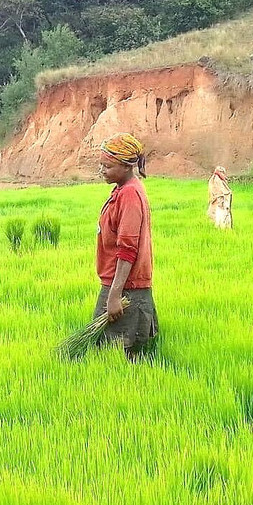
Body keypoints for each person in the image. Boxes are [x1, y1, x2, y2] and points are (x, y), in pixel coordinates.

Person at [94, 133, 158, 360]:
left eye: (107, 166)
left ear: (125, 166)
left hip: (126, 288)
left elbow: (127, 249)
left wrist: (114, 296)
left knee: (116, 358)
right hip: (118, 284)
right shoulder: (122, 189)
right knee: (107, 357)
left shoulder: (130, 194)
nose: (102, 170)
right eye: (101, 164)